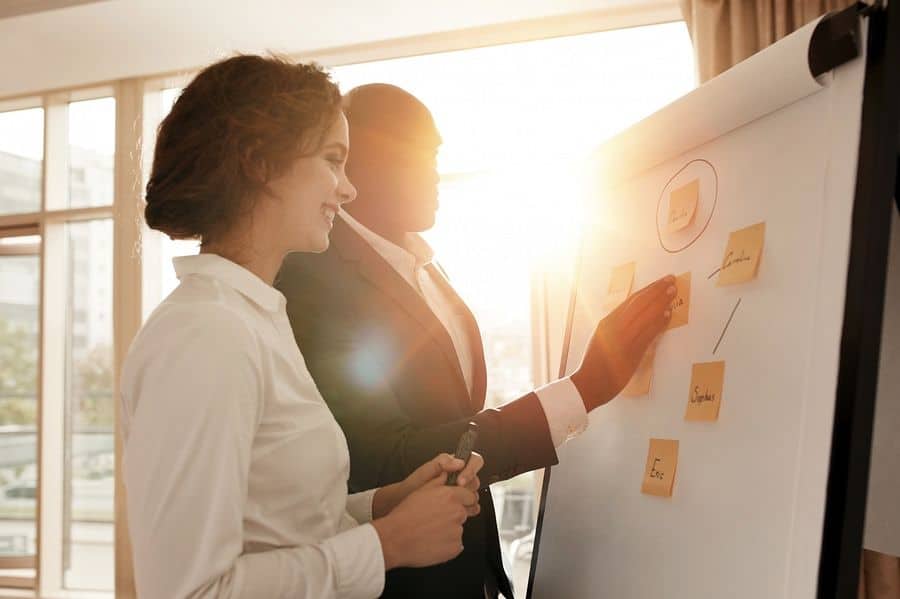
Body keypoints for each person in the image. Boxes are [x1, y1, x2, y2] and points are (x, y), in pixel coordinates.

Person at [275, 82, 675, 598]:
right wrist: (584, 388)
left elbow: (453, 418)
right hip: (401, 582)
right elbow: (384, 457)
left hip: (468, 569)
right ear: (371, 158)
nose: (438, 175)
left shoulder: (422, 263)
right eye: (428, 155)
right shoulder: (314, 280)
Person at [120, 58, 485, 599]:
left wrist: (384, 504)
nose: (348, 190)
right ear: (260, 163)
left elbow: (279, 524)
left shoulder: (256, 318)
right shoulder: (206, 335)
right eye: (333, 161)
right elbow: (190, 591)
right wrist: (386, 544)